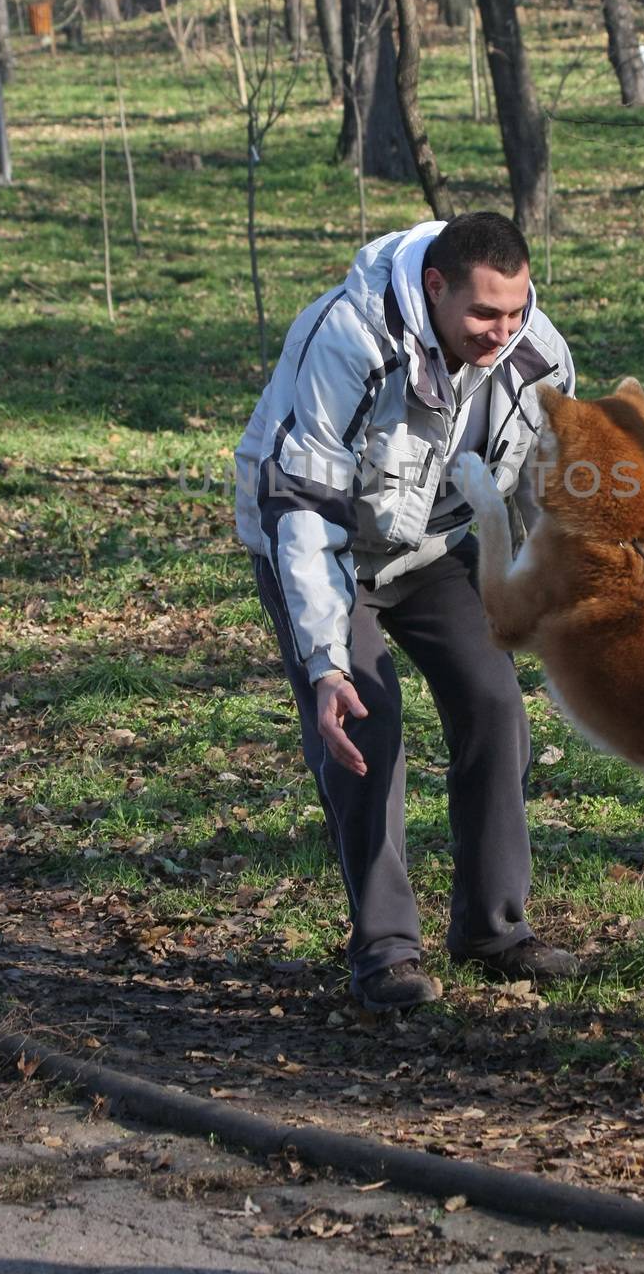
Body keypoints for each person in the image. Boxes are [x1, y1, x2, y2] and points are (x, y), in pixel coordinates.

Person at [235, 213, 579, 1010]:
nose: (502, 330)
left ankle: (494, 930)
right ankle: (385, 952)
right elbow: (306, 502)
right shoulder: (349, 337)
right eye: (483, 315)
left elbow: (546, 486)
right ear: (435, 288)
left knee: (495, 705)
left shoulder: (537, 352)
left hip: (433, 547)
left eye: (517, 309)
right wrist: (324, 663)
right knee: (366, 722)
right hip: (317, 547)